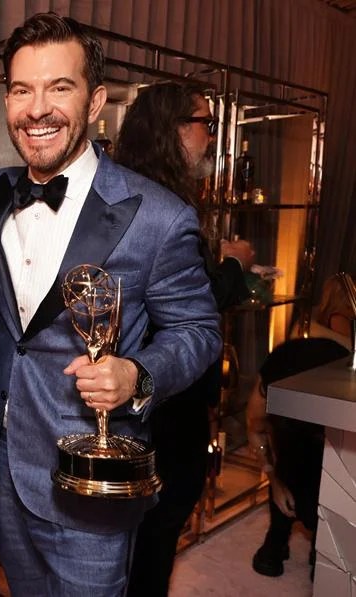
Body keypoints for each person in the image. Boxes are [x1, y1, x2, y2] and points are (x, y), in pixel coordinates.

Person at [0, 14, 221, 595]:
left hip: (91, 484)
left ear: (95, 102)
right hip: (5, 474)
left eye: (59, 87)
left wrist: (137, 374)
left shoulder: (158, 217)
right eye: (21, 89)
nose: (37, 108)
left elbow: (200, 331)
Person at [113, 81, 255, 596]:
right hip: (163, 401)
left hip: (146, 396)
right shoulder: (166, 209)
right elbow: (191, 313)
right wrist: (236, 265)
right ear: (171, 129)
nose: (212, 139)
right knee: (156, 530)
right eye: (206, 124)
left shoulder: (130, 191)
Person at [247, 274, 355, 578]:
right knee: (290, 462)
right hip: (297, 456)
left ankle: (316, 548)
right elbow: (255, 428)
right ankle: (279, 541)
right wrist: (274, 480)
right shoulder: (277, 373)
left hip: (328, 461)